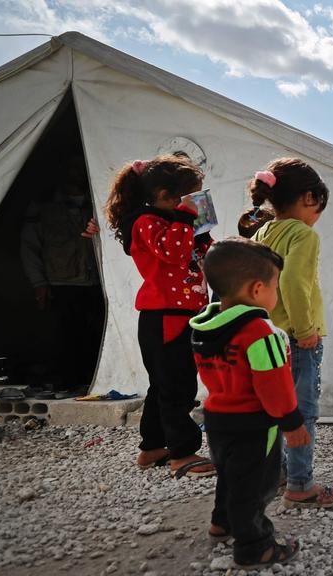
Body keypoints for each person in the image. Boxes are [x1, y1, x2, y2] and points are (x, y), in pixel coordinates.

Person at [190, 238, 309, 568]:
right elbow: (275, 386)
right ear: (257, 290)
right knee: (256, 486)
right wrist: (292, 423)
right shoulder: (261, 333)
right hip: (254, 423)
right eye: (276, 287)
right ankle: (255, 546)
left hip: (217, 418)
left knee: (230, 475)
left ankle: (222, 523)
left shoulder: (206, 328)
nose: (276, 295)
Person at [105, 155, 215, 478]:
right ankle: (183, 453)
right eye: (190, 196)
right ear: (167, 197)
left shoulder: (175, 223)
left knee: (165, 385)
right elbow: (173, 252)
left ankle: (152, 447)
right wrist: (185, 220)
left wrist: (203, 233)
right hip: (164, 317)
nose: (196, 201)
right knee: (176, 388)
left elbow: (197, 256)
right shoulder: (146, 223)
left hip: (184, 314)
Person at [250, 159, 333, 509]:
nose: (317, 216)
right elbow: (292, 282)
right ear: (308, 198)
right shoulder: (304, 234)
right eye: (319, 207)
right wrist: (305, 331)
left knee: (276, 407)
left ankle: (279, 474)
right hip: (297, 337)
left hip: (268, 334)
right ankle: (301, 484)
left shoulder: (261, 232)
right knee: (304, 410)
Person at [20, 155, 103, 397]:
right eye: (71, 168)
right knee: (66, 334)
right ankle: (67, 382)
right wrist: (39, 282)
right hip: (61, 281)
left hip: (96, 281)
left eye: (79, 168)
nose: (75, 174)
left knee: (94, 333)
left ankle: (90, 380)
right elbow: (29, 246)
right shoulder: (43, 205)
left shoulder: (97, 201)